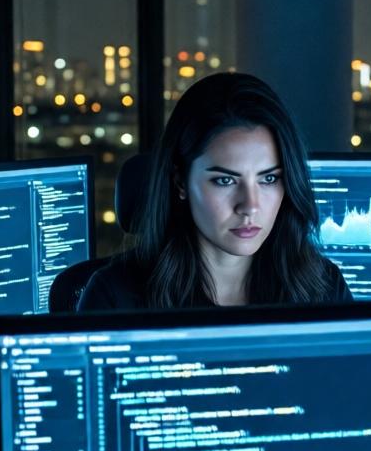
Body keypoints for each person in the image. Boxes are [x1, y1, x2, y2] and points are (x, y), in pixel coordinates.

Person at [77, 72, 352, 310]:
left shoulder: (323, 287)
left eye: (268, 178)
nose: (250, 206)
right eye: (225, 181)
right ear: (181, 182)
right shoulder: (115, 297)